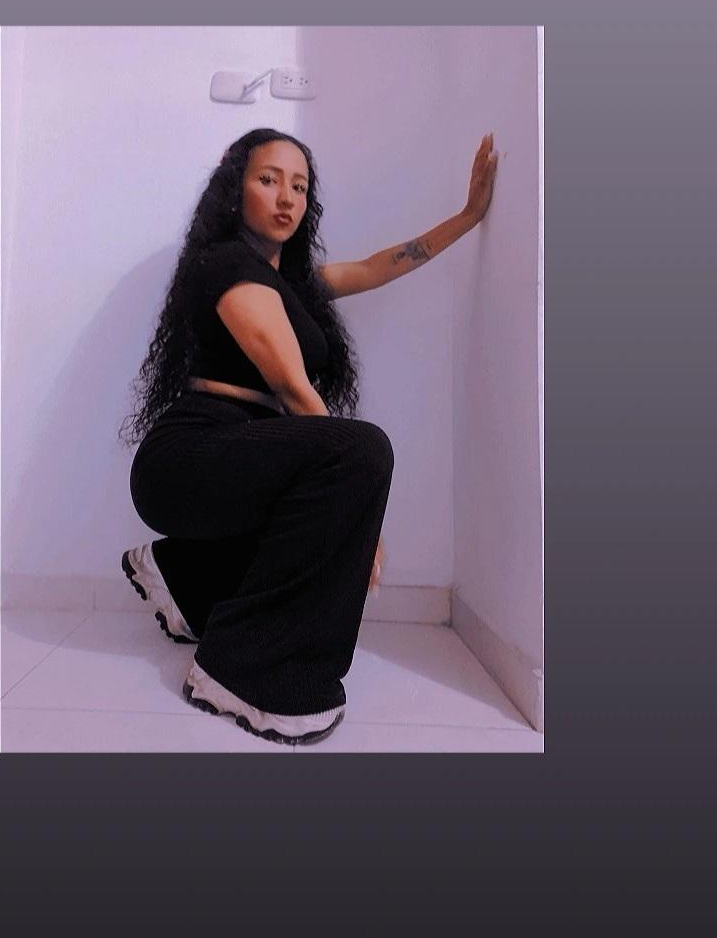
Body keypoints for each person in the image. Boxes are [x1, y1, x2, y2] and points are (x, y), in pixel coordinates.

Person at [118, 128, 498, 745]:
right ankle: (247, 674)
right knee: (360, 452)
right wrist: (364, 519)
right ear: (235, 187)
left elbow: (375, 266)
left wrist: (467, 217)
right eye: (268, 179)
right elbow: (293, 388)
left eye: (299, 186)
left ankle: (184, 579)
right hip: (190, 453)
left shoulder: (292, 285)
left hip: (240, 452)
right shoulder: (228, 266)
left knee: (326, 489)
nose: (286, 198)